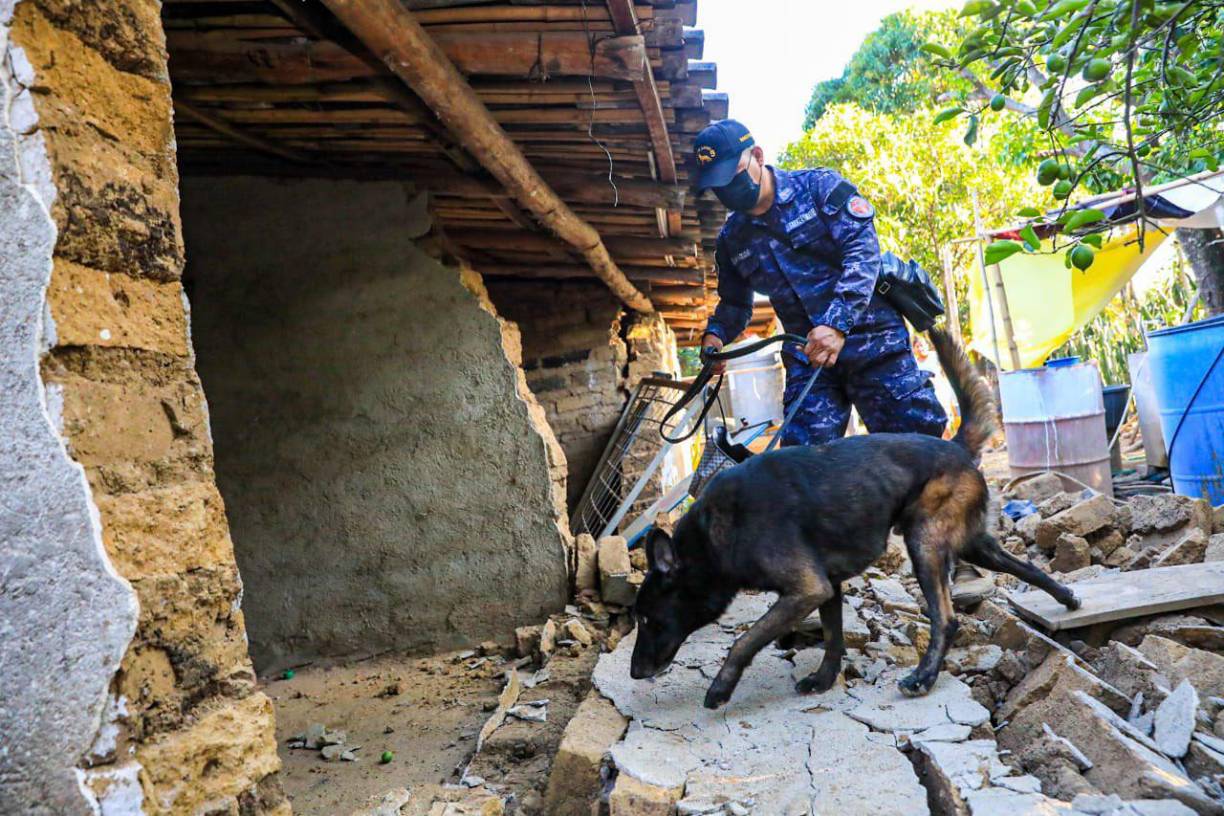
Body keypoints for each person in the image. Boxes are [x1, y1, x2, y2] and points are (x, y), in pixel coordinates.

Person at [695, 119, 991, 606]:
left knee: (924, 456)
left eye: (731, 177)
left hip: (874, 345)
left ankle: (958, 561)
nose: (725, 191)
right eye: (715, 187)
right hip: (811, 365)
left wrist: (837, 323)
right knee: (800, 469)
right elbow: (734, 303)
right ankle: (809, 589)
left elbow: (863, 253)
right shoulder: (734, 237)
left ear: (758, 156)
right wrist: (714, 337)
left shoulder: (821, 189)